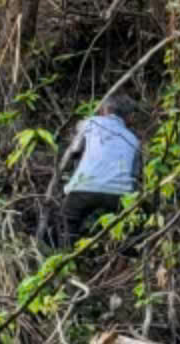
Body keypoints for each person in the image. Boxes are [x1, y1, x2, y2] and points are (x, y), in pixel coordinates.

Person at [54, 92, 142, 245]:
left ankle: (67, 259)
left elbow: (74, 151)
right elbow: (135, 176)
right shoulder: (133, 140)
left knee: (67, 222)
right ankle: (124, 257)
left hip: (84, 188)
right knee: (126, 229)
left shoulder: (90, 123)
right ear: (128, 117)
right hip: (120, 194)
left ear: (104, 110)